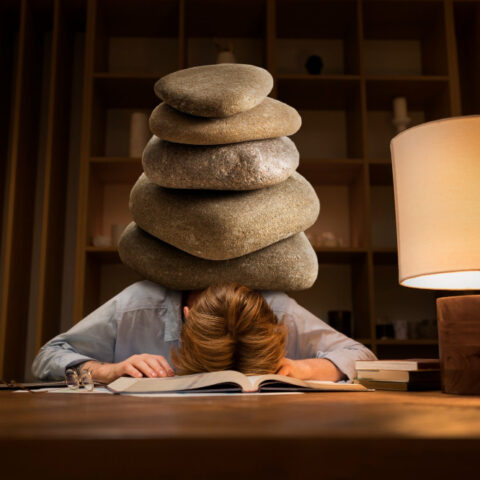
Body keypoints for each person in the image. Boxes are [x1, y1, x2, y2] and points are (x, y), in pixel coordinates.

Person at [32, 280, 376, 384]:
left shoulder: (277, 310)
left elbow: (363, 355)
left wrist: (306, 368)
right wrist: (107, 370)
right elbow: (48, 355)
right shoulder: (137, 305)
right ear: (187, 317)